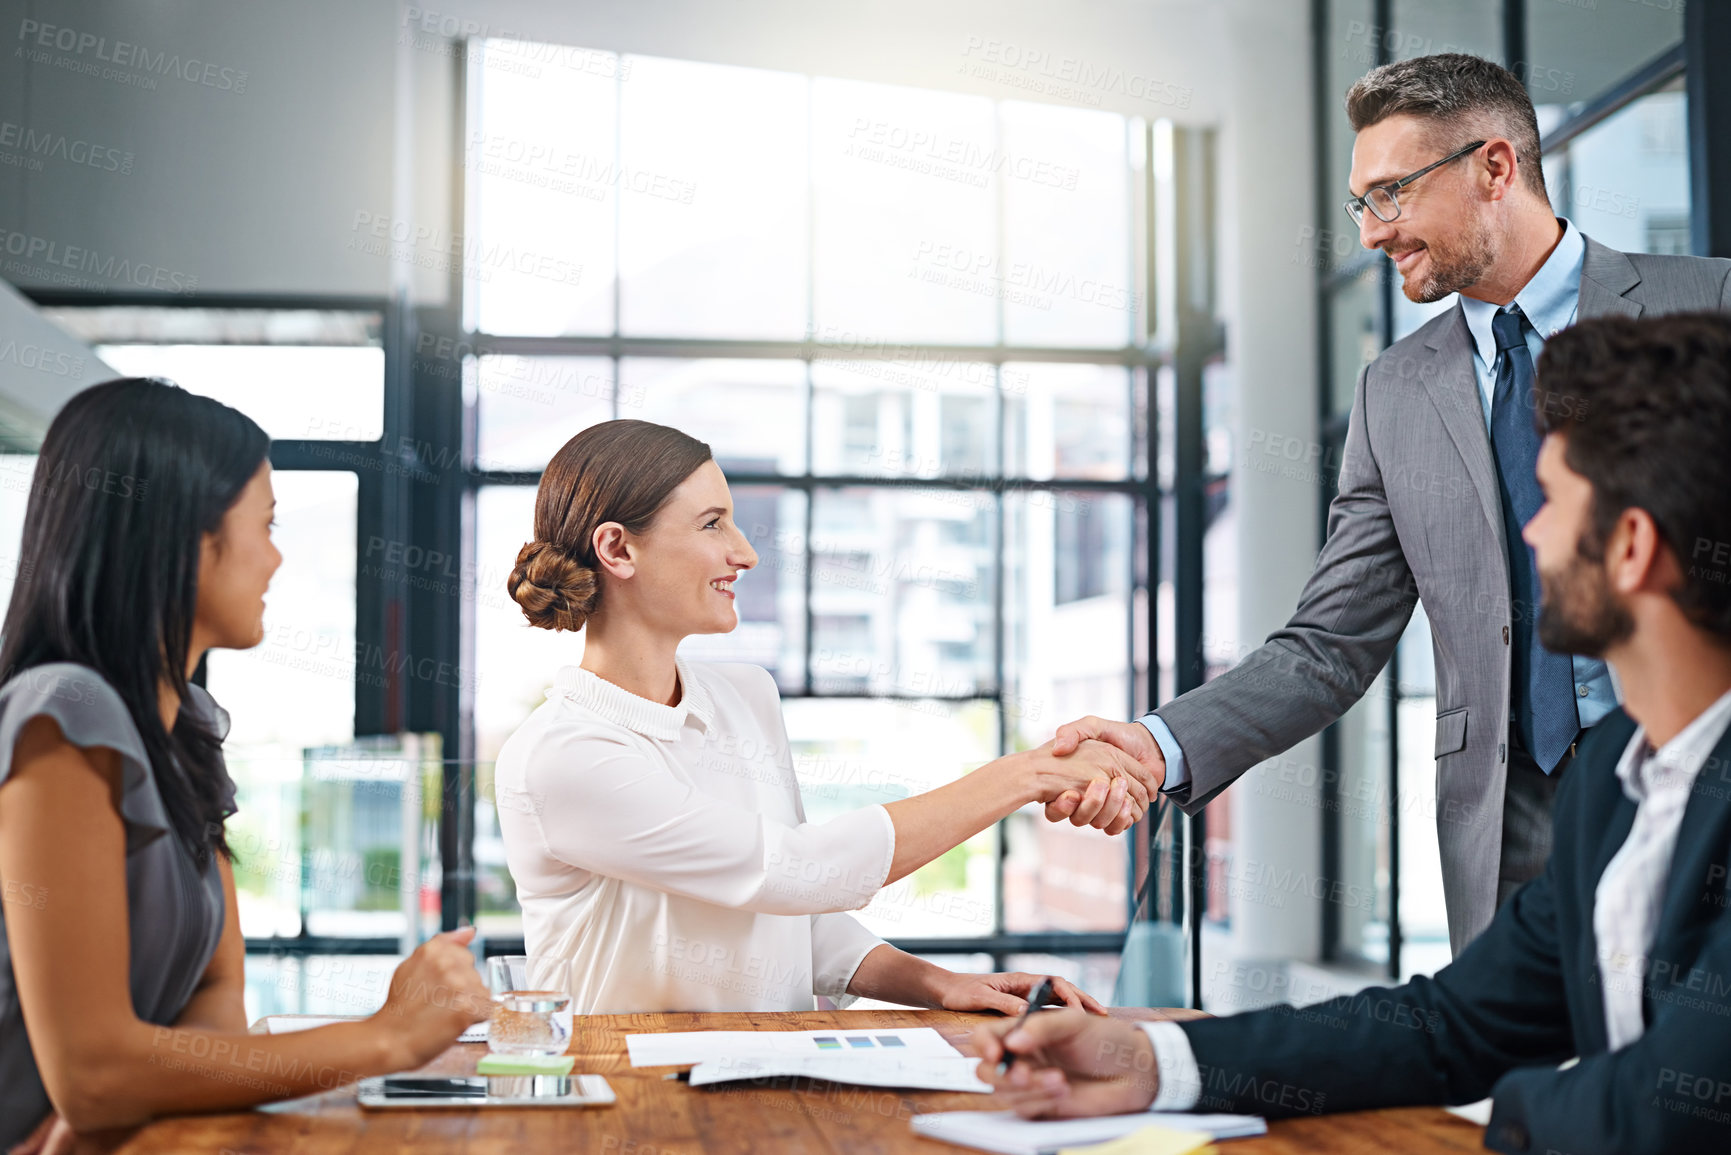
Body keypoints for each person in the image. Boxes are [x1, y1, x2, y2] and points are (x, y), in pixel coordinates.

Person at [976, 313, 1731, 1155]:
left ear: (1630, 547)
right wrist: (1152, 1057)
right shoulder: (1617, 785)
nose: (1528, 532)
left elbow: (1671, 1109)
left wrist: (1496, 1122)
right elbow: (1450, 1024)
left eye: (1550, 500)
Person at [1056, 53, 1731, 952]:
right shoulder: (1393, 393)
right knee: (1512, 1070)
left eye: (1392, 193)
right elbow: (1331, 641)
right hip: (1509, 810)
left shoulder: (1709, 303)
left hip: (1703, 774)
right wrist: (1159, 743)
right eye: (1360, 203)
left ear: (1495, 167)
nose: (1372, 232)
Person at [494, 419, 1155, 1015]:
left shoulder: (744, 696)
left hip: (770, 1086)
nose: (744, 552)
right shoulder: (563, 754)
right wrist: (1026, 773)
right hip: (628, 1100)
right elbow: (794, 869)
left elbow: (789, 915)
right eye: (712, 523)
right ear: (618, 549)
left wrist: (938, 983)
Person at [0, 380, 492, 1151]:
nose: (275, 556)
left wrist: (124, 1105)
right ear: (185, 537)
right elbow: (91, 1072)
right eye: (263, 524)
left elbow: (216, 993)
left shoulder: (183, 731)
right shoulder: (62, 714)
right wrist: (388, 1038)